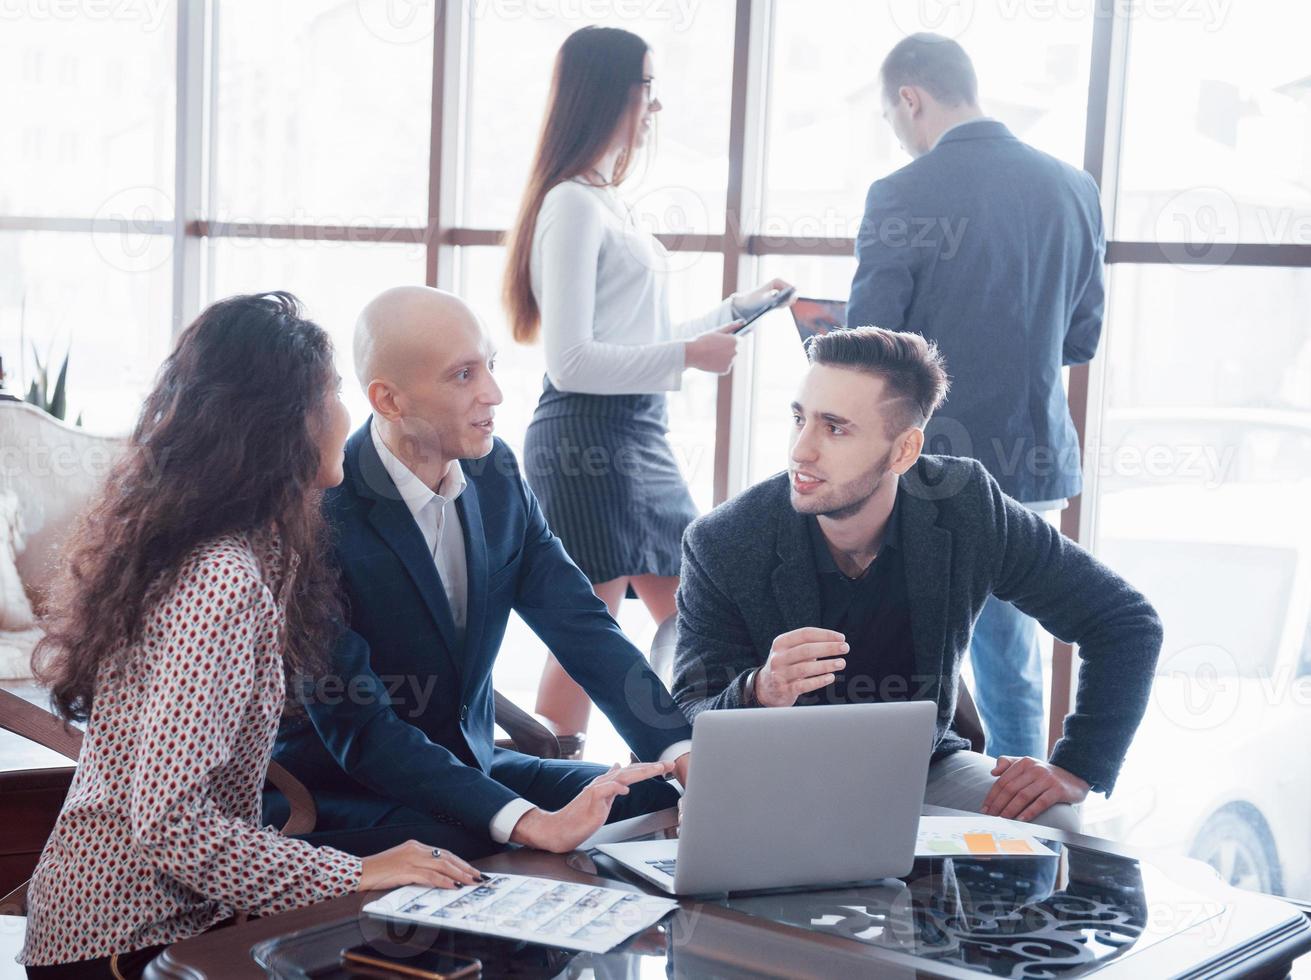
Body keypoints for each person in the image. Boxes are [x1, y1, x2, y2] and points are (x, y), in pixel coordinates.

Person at [19, 293, 481, 980]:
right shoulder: (221, 577)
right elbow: (171, 825)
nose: (344, 414)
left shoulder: (254, 550)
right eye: (328, 392)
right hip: (118, 946)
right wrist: (354, 870)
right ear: (277, 422)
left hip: (177, 918)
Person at [671, 327, 1161, 832]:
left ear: (904, 451)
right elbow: (689, 705)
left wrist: (1078, 766)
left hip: (921, 771)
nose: (801, 450)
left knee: (1057, 820)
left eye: (835, 428)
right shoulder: (725, 540)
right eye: (800, 419)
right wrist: (761, 689)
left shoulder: (964, 504)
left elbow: (1124, 622)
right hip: (772, 782)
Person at [269, 286, 694, 860]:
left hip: (473, 763)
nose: (493, 393)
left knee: (648, 799)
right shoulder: (322, 513)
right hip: (340, 787)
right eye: (463, 375)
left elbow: (583, 627)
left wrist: (678, 747)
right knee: (467, 840)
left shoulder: (496, 472)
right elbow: (361, 732)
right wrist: (525, 822)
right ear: (389, 400)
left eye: (489, 365)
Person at [501, 25, 794, 736]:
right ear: (609, 93)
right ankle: (555, 778)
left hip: (632, 432)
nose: (654, 107)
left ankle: (704, 759)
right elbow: (570, 360)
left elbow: (633, 337)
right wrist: (687, 357)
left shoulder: (602, 198)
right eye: (646, 88)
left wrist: (732, 314)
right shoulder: (570, 202)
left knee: (694, 613)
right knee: (596, 625)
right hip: (587, 435)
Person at [847, 33, 1107, 759]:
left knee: (909, 655)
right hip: (1032, 460)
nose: (896, 132)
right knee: (1010, 660)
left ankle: (909, 816)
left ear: (910, 97)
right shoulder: (1072, 187)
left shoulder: (900, 193)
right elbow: (1080, 339)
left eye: (889, 113)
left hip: (931, 460)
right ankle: (1018, 820)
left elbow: (868, 348)